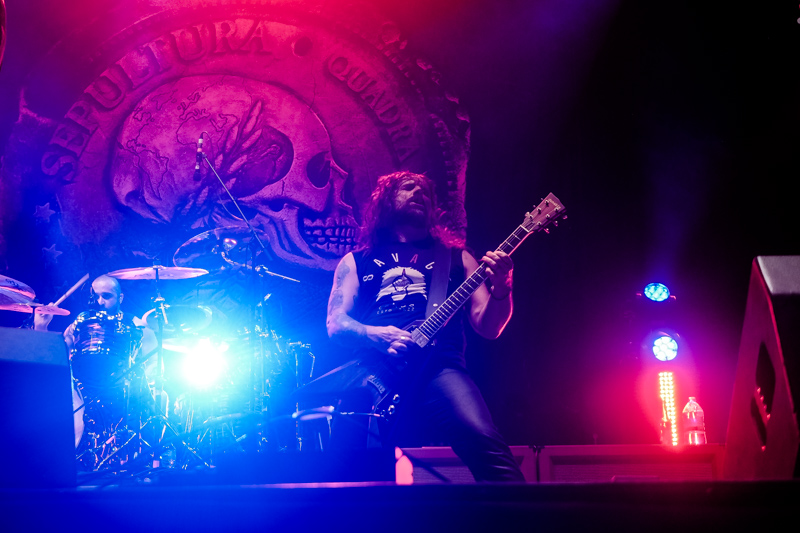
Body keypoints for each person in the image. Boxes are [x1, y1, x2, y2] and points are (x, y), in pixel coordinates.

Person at [320, 170, 524, 482]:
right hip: (374, 370)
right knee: (345, 467)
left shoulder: (457, 258)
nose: (419, 193)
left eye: (426, 192)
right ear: (387, 200)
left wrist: (502, 288)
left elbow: (489, 327)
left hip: (440, 369)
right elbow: (336, 323)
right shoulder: (356, 260)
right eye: (408, 187)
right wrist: (377, 335)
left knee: (486, 445)